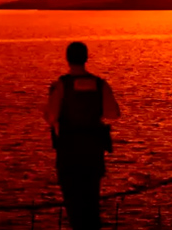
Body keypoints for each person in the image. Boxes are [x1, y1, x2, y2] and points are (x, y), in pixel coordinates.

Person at [44, 42, 121, 230]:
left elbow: (51, 116)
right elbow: (114, 113)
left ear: (67, 59)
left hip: (69, 154)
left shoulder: (61, 85)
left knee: (73, 205)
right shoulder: (100, 84)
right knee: (91, 202)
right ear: (86, 58)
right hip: (93, 153)